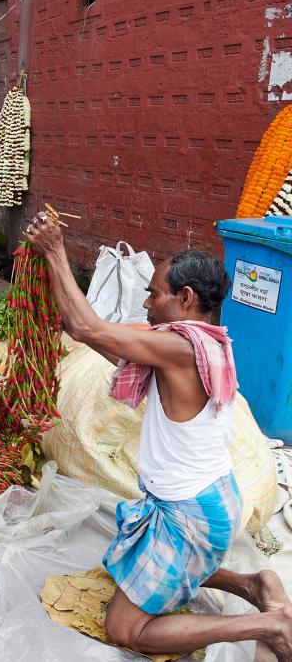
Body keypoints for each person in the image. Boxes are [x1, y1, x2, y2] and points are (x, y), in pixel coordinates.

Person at [25, 213, 292, 659]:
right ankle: (253, 583)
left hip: (191, 513)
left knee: (126, 630)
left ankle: (268, 623)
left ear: (185, 298)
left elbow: (85, 328)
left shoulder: (180, 348)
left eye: (153, 294)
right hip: (208, 499)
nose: (146, 304)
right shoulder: (203, 340)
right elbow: (102, 340)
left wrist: (55, 252)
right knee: (127, 561)